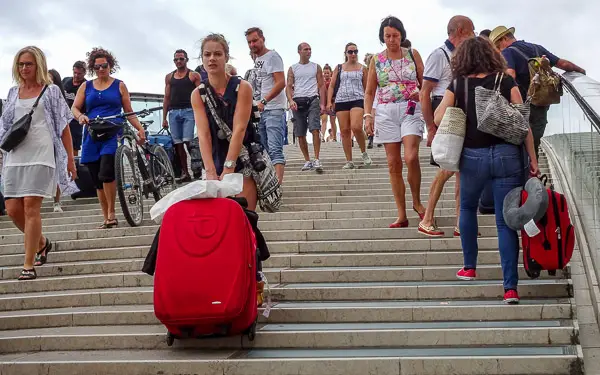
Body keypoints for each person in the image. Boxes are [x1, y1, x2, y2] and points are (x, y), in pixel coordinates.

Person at [433, 37, 539, 304]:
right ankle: (510, 289)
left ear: (463, 58)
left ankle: (469, 267)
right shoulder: (505, 81)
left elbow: (437, 118)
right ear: (492, 56)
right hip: (506, 157)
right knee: (505, 222)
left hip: (473, 158)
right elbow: (522, 123)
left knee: (467, 209)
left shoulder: (458, 85)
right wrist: (533, 160)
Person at [0, 46, 78, 280]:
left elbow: (64, 127)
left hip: (42, 154)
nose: (24, 68)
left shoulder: (52, 91)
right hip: (15, 155)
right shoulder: (13, 92)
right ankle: (42, 242)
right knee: (13, 210)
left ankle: (28, 264)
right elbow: (5, 125)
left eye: (29, 64)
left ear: (39, 65)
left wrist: (70, 160)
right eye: (21, 64)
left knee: (31, 208)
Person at [72, 47, 146, 229]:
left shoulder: (119, 85)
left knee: (106, 171)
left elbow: (128, 111)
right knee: (97, 177)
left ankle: (112, 212)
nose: (101, 69)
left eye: (104, 65)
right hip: (91, 133)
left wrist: (139, 129)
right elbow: (75, 108)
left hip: (113, 131)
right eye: (97, 67)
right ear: (92, 68)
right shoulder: (86, 86)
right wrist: (80, 116)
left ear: (110, 65)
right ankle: (105, 216)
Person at [364, 16, 426, 228]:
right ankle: (401, 213)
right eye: (387, 36)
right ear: (382, 37)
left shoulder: (412, 54)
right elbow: (370, 91)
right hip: (386, 111)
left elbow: (425, 81)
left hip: (410, 107)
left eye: (395, 36)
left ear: (402, 35)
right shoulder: (376, 60)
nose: (391, 40)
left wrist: (423, 96)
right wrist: (368, 115)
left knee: (411, 156)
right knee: (393, 163)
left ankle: (417, 201)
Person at [490, 26, 586, 159]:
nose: (499, 51)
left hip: (522, 107)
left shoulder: (508, 53)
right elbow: (562, 64)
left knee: (519, 146)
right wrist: (581, 71)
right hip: (541, 105)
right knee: (534, 145)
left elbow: (510, 76)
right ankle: (534, 172)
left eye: (498, 46)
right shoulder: (537, 48)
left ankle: (525, 173)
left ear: (504, 39)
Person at [418, 16, 475, 237]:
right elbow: (425, 93)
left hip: (462, 110)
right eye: (471, 30)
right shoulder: (439, 55)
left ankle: (461, 222)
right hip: (446, 110)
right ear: (460, 31)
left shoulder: (463, 56)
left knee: (461, 169)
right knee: (448, 167)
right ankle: (427, 218)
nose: (474, 34)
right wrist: (430, 127)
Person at [191, 33, 259, 210]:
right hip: (215, 156)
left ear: (226, 57)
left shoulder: (242, 87)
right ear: (202, 58)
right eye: (207, 54)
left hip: (242, 156)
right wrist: (210, 171)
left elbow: (240, 128)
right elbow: (203, 134)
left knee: (246, 219)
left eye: (217, 54)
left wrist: (230, 166)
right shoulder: (198, 94)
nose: (212, 59)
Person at [245, 27, 287, 184]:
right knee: (265, 150)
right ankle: (272, 181)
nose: (252, 44)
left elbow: (281, 82)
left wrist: (264, 101)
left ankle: (277, 186)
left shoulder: (273, 56)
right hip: (259, 110)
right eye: (249, 42)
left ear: (262, 39)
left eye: (255, 40)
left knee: (275, 149)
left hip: (273, 108)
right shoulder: (257, 59)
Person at [327, 43, 372, 169]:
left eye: (355, 52)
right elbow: (331, 85)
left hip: (358, 98)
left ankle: (364, 152)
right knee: (345, 131)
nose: (353, 54)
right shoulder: (339, 67)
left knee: (356, 126)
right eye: (350, 52)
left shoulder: (362, 68)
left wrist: (369, 105)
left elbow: (367, 88)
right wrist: (329, 101)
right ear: (346, 53)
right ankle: (349, 160)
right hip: (342, 100)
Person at [162, 49, 201, 183]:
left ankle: (197, 167)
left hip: (189, 110)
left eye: (181, 59)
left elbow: (201, 94)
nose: (178, 61)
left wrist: (202, 113)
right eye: (176, 59)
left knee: (188, 140)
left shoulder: (193, 75)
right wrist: (164, 117)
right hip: (173, 112)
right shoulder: (169, 77)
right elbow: (166, 97)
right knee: (178, 143)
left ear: (186, 60)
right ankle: (185, 172)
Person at [287, 42, 326, 172]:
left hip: (313, 99)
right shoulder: (293, 68)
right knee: (300, 133)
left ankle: (317, 158)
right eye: (306, 49)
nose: (308, 51)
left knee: (315, 128)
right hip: (298, 100)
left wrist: (322, 103)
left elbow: (321, 85)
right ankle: (307, 160)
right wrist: (290, 100)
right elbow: (289, 85)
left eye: (310, 49)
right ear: (299, 51)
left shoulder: (316, 67)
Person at [48, 69, 71, 213]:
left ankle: (57, 201)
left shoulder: (58, 97)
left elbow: (64, 125)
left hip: (55, 139)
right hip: (40, 138)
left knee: (57, 169)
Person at [62, 61, 87, 157]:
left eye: (79, 74)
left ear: (84, 73)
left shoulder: (86, 85)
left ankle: (74, 167)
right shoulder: (65, 81)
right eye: (75, 73)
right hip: (62, 118)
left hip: (75, 121)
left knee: (74, 147)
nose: (76, 75)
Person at [320, 64, 337, 142]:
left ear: (331, 73)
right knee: (324, 119)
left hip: (332, 102)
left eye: (327, 73)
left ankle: (334, 137)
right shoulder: (321, 82)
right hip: (323, 103)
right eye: (325, 73)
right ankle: (322, 136)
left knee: (332, 120)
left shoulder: (333, 81)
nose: (326, 75)